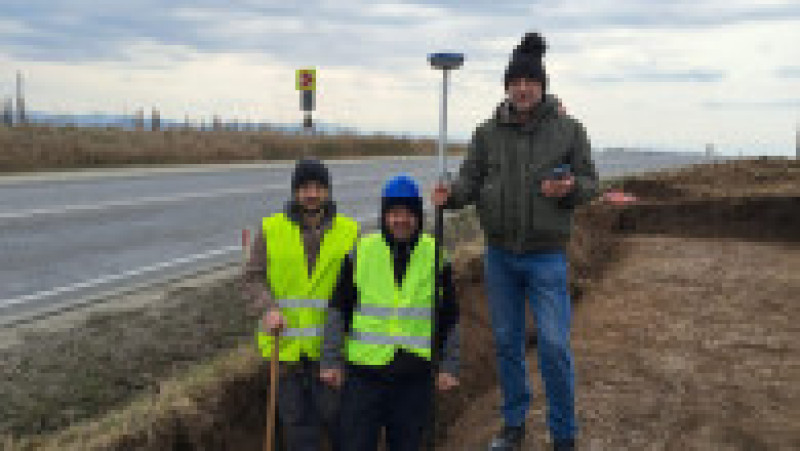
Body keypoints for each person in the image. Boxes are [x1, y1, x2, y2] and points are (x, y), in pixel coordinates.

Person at [432, 32, 599, 451]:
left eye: (530, 81)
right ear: (507, 86)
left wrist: (571, 188)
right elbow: (469, 183)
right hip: (501, 257)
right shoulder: (487, 134)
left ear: (542, 86)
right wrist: (449, 197)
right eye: (515, 81)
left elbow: (590, 184)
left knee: (555, 347)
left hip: (547, 258)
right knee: (506, 344)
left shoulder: (569, 131)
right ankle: (513, 424)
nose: (522, 88)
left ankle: (564, 434)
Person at [320, 174, 460, 451]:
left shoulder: (435, 255)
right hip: (364, 377)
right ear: (384, 215)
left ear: (418, 217)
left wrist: (449, 365)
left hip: (414, 378)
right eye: (394, 213)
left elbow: (450, 316)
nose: (401, 220)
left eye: (408, 213)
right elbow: (338, 308)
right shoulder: (362, 251)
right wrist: (330, 360)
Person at [243, 158, 359, 451]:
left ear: (328, 191)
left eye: (318, 187)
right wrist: (268, 308)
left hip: (331, 353)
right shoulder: (270, 230)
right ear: (295, 191)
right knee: (298, 431)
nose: (312, 193)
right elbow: (252, 277)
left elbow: (360, 289)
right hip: (286, 355)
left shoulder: (350, 232)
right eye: (305, 187)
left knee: (340, 426)